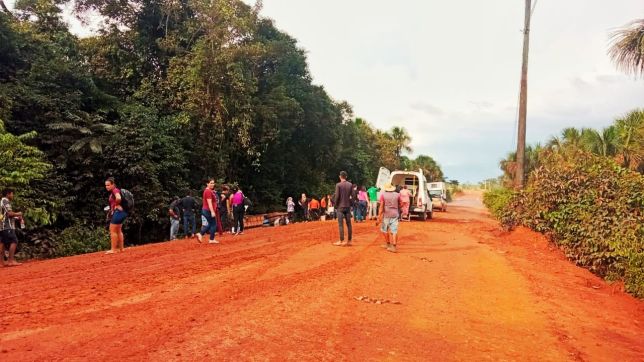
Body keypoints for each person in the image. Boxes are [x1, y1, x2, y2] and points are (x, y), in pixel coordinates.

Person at [1, 188, 23, 266]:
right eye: (12, 194)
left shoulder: (2, 201)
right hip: (7, 226)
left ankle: (1, 262)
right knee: (14, 241)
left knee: (2, 243)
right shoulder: (5, 201)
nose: (12, 195)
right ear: (8, 194)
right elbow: (10, 214)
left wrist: (17, 218)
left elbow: (6, 215)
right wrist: (18, 213)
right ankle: (11, 261)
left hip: (2, 226)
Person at [105, 177, 127, 254]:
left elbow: (118, 198)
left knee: (112, 230)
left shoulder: (115, 190)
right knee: (118, 230)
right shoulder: (114, 191)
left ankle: (113, 249)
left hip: (118, 212)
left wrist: (116, 205)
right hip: (122, 213)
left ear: (113, 185)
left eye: (108, 185)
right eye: (106, 185)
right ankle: (121, 249)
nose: (107, 187)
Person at [378, 183, 401, 253]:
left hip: (386, 215)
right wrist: (397, 208)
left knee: (384, 230)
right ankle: (394, 247)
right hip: (395, 214)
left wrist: (379, 216)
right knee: (394, 231)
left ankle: (388, 244)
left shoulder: (383, 195)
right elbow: (401, 203)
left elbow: (381, 206)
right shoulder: (398, 195)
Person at [333, 171, 353, 246]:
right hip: (347, 206)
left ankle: (341, 241)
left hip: (340, 207)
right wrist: (351, 204)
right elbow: (353, 196)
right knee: (349, 224)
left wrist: (335, 205)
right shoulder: (350, 185)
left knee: (341, 224)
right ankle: (350, 241)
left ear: (340, 176)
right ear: (346, 177)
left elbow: (337, 196)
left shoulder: (338, 185)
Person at [196, 179, 219, 244]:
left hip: (206, 210)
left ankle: (201, 234)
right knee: (214, 224)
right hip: (208, 210)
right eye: (211, 183)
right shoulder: (208, 191)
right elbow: (209, 203)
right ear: (207, 184)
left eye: (213, 183)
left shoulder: (208, 191)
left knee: (210, 224)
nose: (212, 184)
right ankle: (211, 239)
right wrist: (212, 211)